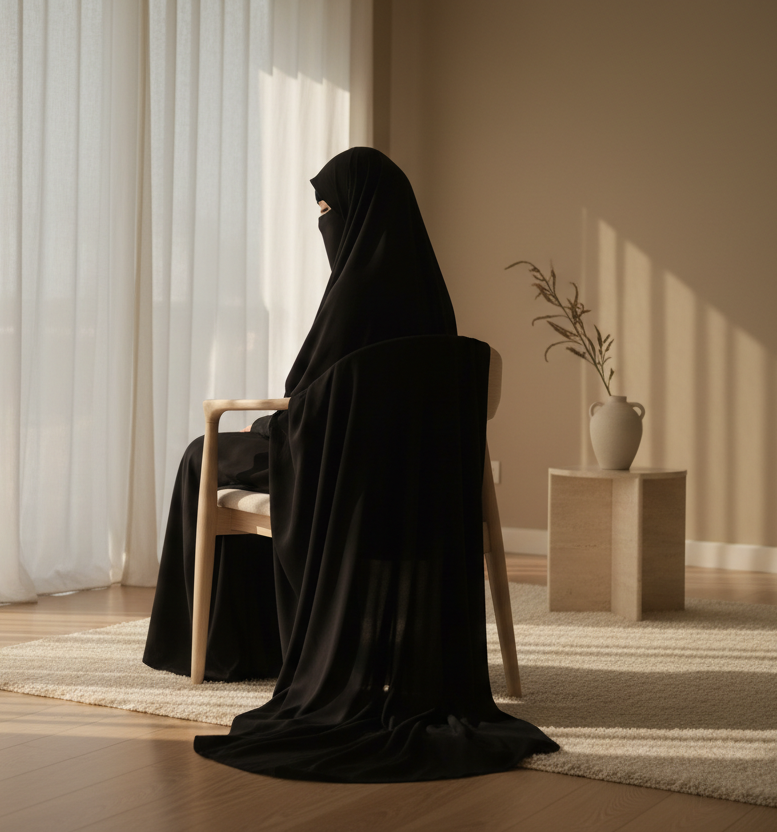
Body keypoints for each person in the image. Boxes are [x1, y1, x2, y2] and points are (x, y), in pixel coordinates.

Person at [144, 147, 558, 780]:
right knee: (232, 448)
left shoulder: (356, 291)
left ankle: (226, 651)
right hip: (424, 476)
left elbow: (309, 400)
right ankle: (264, 644)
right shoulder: (429, 293)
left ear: (361, 212)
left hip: (341, 469)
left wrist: (271, 424)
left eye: (329, 208)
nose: (323, 222)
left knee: (204, 453)